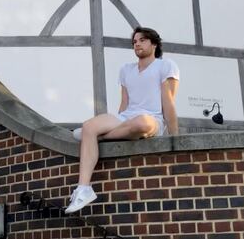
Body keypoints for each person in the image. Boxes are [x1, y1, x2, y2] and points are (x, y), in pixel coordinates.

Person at [65, 26, 180, 214]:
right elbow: (124, 106)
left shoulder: (166, 65)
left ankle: (95, 137)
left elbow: (168, 102)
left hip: (152, 119)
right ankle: (84, 189)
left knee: (141, 123)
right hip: (127, 117)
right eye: (135, 42)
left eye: (142, 40)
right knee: (89, 125)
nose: (137, 44)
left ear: (154, 44)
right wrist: (112, 121)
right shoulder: (126, 70)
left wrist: (176, 138)